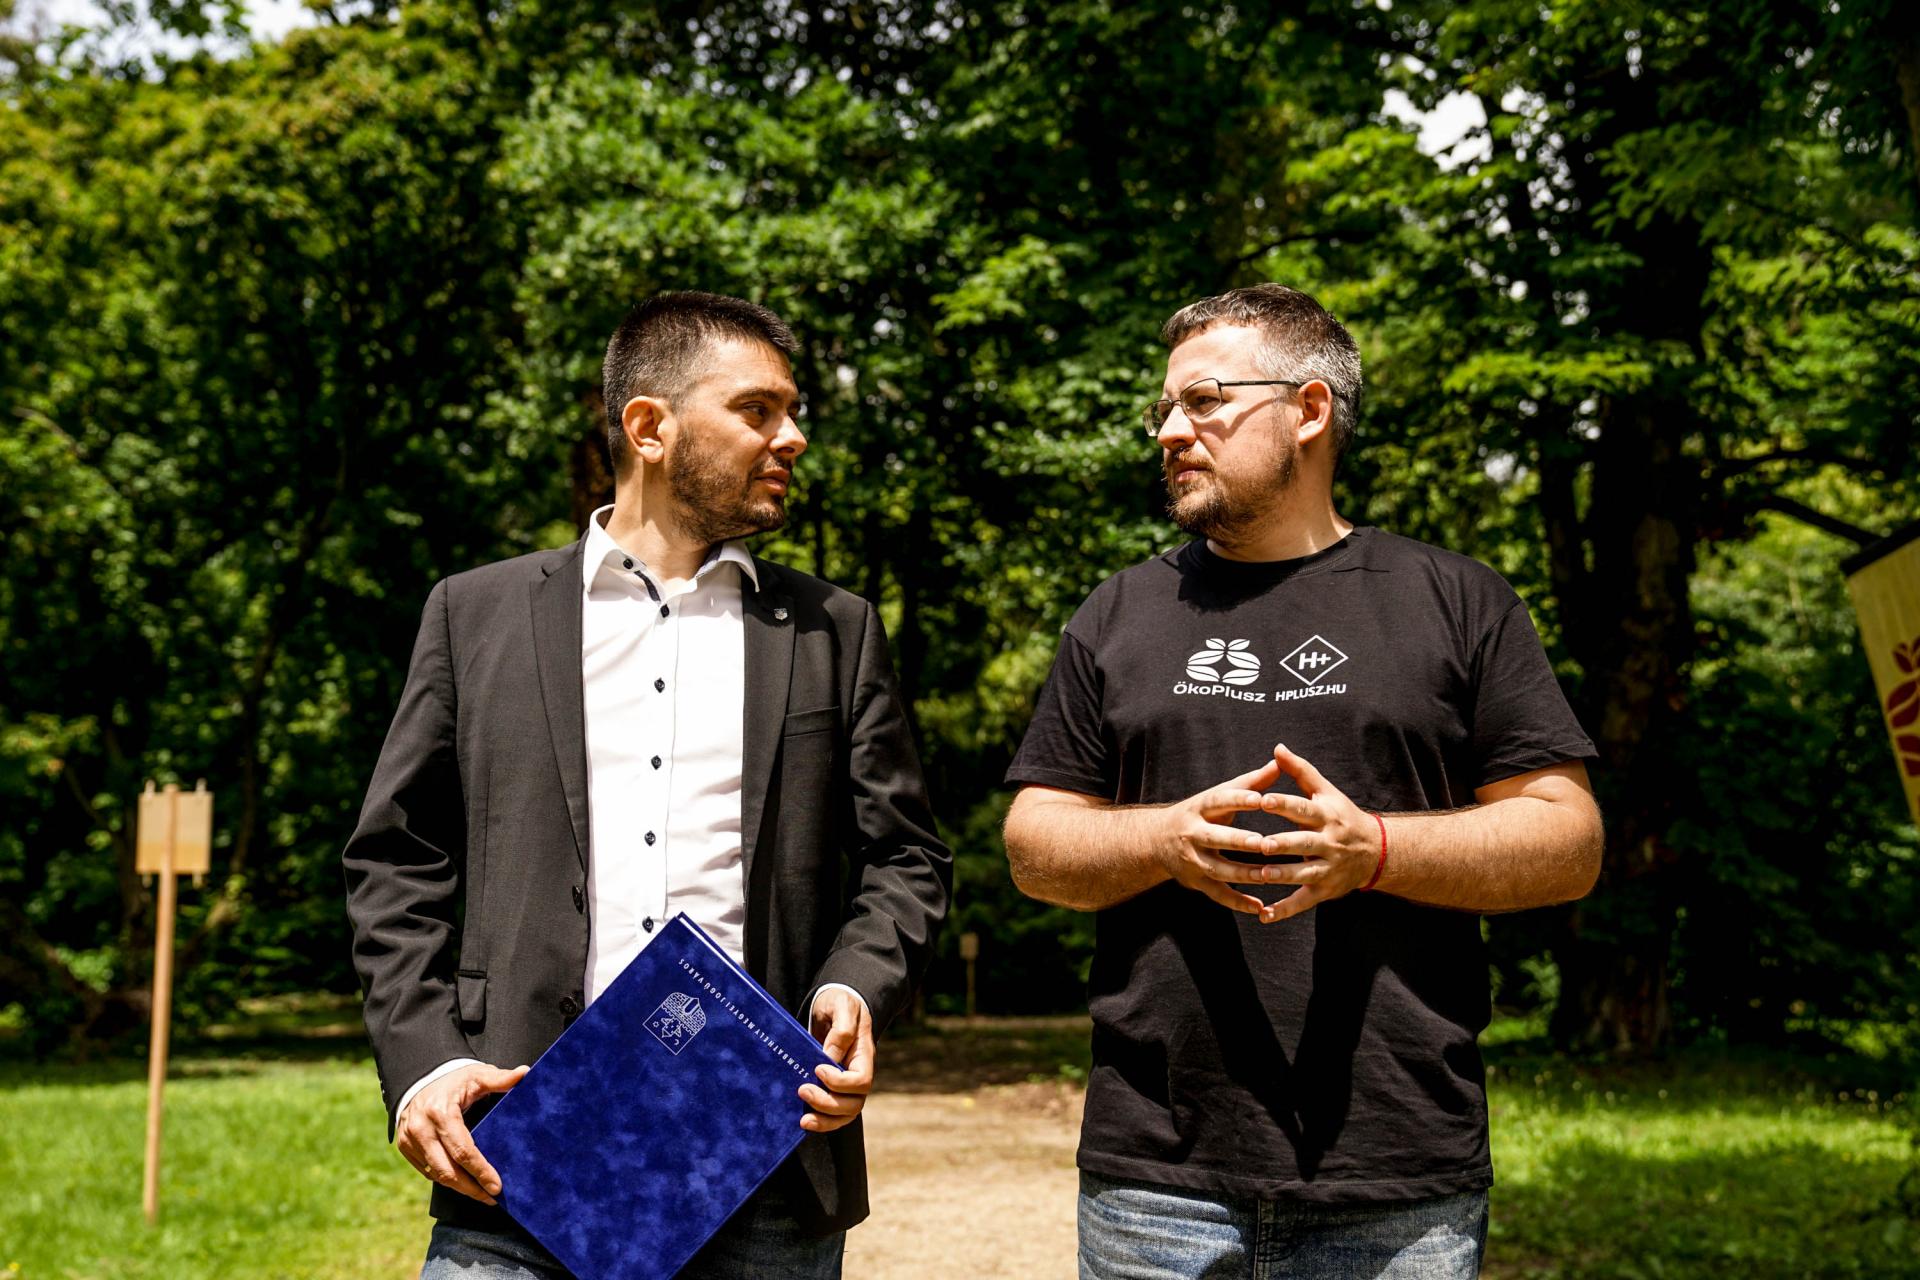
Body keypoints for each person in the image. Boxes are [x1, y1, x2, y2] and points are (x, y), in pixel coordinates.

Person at [343, 291, 951, 1279]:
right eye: (756, 410)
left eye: (792, 411)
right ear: (649, 427)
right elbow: (394, 858)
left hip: (766, 1157)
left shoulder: (834, 630)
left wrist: (854, 984)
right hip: (518, 1143)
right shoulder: (474, 614)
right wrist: (425, 1063)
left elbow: (906, 857)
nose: (792, 437)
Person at [1002, 283, 1603, 1279]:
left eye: (1203, 401)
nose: (1170, 430)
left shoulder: (1458, 600)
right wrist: (1164, 840)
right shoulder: (1120, 612)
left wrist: (1377, 850)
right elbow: (1033, 841)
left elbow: (1568, 840)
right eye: (1164, 408)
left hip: (1399, 1182)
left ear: (1310, 409)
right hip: (1157, 1180)